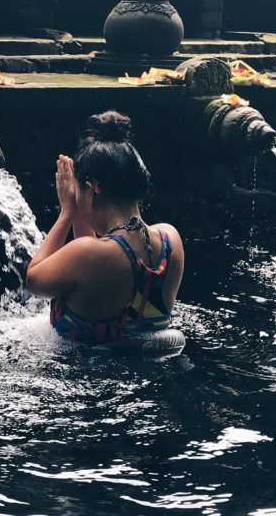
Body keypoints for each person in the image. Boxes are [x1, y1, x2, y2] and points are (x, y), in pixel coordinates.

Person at [25, 111, 185, 348]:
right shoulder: (170, 240)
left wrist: (67, 212)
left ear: (92, 190)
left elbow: (34, 281)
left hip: (83, 375)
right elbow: (92, 266)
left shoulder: (90, 255)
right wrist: (82, 201)